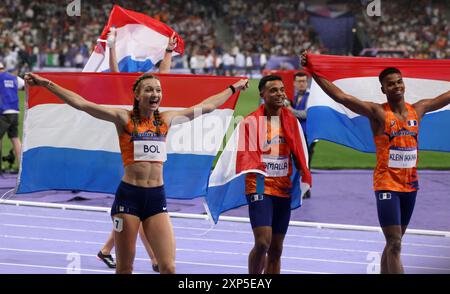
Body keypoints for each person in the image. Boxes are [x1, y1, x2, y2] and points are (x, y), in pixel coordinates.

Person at [24, 72, 248, 274]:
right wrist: (47, 84)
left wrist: (233, 88)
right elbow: (82, 104)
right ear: (137, 94)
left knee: (168, 267)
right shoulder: (124, 118)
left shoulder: (166, 119)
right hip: (128, 198)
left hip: (156, 197)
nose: (155, 94)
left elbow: (206, 106)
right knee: (125, 268)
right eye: (149, 89)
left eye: (158, 90)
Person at [301, 52, 450, 274]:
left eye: (399, 82)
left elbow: (446, 97)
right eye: (391, 84)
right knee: (395, 243)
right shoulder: (377, 112)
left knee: (393, 244)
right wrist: (312, 71)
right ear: (384, 89)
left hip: (410, 185)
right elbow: (342, 97)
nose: (396, 86)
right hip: (387, 185)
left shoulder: (418, 109)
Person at [96, 28, 178, 272]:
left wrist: (168, 52)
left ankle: (113, 251)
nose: (154, 93)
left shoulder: (152, 89)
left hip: (151, 185)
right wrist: (111, 46)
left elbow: (164, 75)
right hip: (129, 149)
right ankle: (145, 256)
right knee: (131, 218)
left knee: (139, 218)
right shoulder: (130, 93)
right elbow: (115, 74)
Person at [245, 75, 309, 274]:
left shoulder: (291, 121)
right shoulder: (251, 122)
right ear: (262, 94)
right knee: (263, 242)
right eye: (273, 90)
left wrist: (304, 172)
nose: (280, 94)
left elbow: (299, 153)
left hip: (282, 187)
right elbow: (245, 157)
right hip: (260, 186)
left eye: (282, 89)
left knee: (276, 249)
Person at [285, 72, 315, 198]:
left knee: (305, 162)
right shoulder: (296, 96)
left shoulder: (311, 97)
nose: (301, 83)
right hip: (297, 135)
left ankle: (305, 189)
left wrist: (291, 110)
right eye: (299, 81)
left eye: (303, 81)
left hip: (308, 135)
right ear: (294, 83)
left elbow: (306, 114)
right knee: (298, 162)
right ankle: (301, 188)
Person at [0, 62, 23, 172]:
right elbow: (24, 86)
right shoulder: (14, 77)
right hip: (15, 111)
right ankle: (22, 167)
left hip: (3, 112)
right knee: (15, 139)